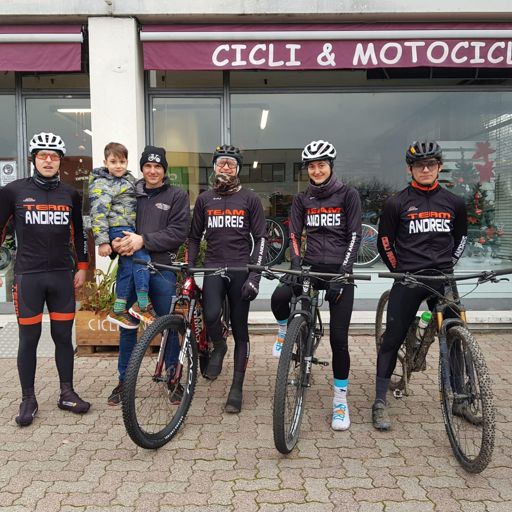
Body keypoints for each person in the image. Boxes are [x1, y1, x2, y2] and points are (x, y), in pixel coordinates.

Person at [372, 140, 468, 431]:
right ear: (410, 169)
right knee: (393, 338)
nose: (425, 169)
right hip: (410, 279)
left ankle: (461, 397)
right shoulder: (396, 202)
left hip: (443, 278)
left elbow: (461, 238)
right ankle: (379, 401)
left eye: (430, 164)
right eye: (419, 165)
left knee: (456, 334)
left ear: (439, 167)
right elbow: (384, 241)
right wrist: (399, 271)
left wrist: (448, 265)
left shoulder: (454, 202)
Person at [271, 140, 362, 431]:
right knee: (279, 297)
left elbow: (355, 236)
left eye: (321, 165)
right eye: (312, 166)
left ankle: (340, 401)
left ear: (330, 166)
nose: (317, 170)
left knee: (339, 339)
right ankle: (286, 333)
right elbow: (294, 234)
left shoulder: (348, 194)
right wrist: (296, 265)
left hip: (339, 270)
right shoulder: (302, 199)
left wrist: (344, 274)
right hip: (310, 266)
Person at [0, 132, 90, 426]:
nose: (48, 160)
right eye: (42, 155)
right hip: (28, 277)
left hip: (62, 277)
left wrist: (82, 266)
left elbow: (79, 233)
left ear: (60, 161)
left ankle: (67, 393)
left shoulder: (70, 194)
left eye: (54, 156)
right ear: (34, 159)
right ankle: (28, 399)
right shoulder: (13, 191)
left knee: (63, 337)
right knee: (29, 339)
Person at [187, 144, 267, 414]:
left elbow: (261, 239)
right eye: (221, 163)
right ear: (214, 167)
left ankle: (236, 388)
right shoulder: (204, 199)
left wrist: (255, 275)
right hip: (213, 268)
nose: (225, 167)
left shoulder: (250, 199)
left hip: (240, 269)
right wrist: (190, 267)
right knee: (210, 315)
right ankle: (219, 346)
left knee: (241, 331)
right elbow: (194, 236)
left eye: (231, 164)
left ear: (237, 169)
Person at [107, 145, 189, 406]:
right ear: (142, 168)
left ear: (164, 170)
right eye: (148, 166)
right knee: (127, 326)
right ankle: (124, 381)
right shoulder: (130, 192)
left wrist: (144, 240)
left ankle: (173, 379)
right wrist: (114, 244)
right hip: (131, 270)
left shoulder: (176, 195)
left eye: (158, 166)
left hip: (162, 271)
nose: (153, 171)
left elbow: (178, 232)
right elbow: (114, 220)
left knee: (168, 325)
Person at [89, 142, 154, 329]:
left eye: (122, 161)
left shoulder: (129, 179)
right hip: (118, 228)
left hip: (129, 228)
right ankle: (142, 304)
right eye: (113, 161)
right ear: (105, 163)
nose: (118, 165)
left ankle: (118, 308)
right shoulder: (102, 184)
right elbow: (98, 214)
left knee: (126, 267)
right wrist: (103, 242)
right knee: (142, 258)